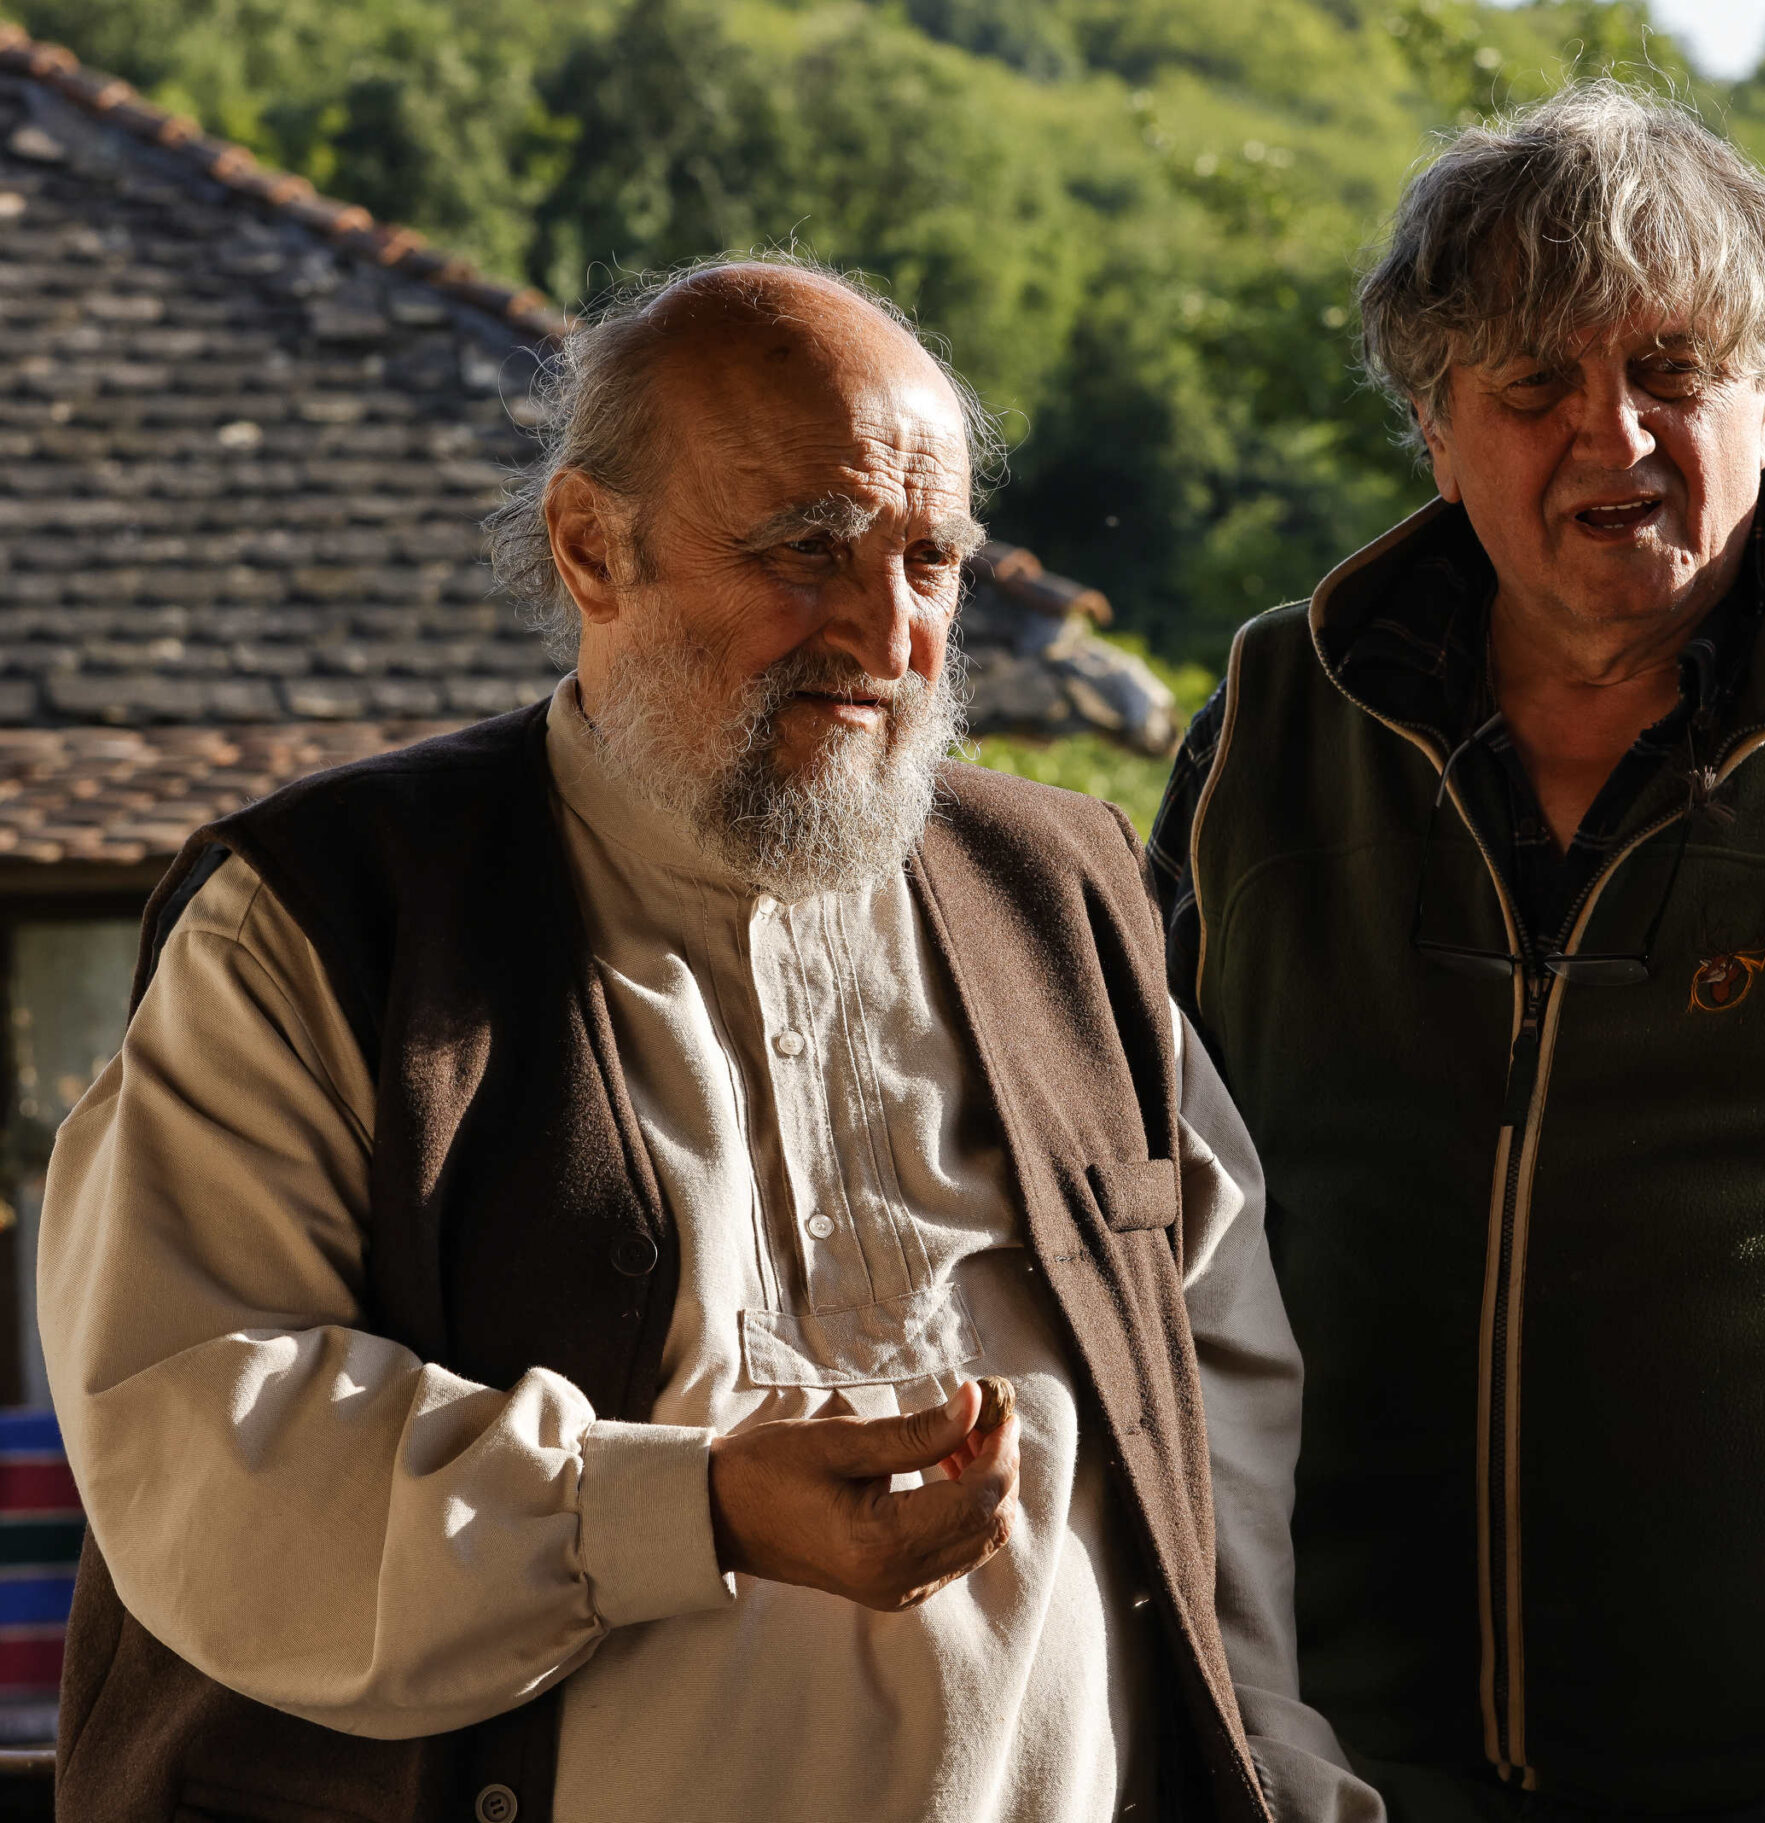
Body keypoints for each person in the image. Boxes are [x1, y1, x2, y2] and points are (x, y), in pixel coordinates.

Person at [40, 259, 1378, 1823]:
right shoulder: (336, 917)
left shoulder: (1065, 900)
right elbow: (202, 1432)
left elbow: (1222, 1415)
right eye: (809, 548)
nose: (885, 631)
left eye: (930, 560)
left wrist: (1272, 1772)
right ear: (591, 548)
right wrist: (690, 1511)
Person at [1148, 84, 1765, 1820]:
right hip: (1324, 1758)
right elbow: (1124, 1197)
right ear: (1435, 431)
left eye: (1674, 369)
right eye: (1534, 388)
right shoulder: (1271, 727)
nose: (1616, 435)